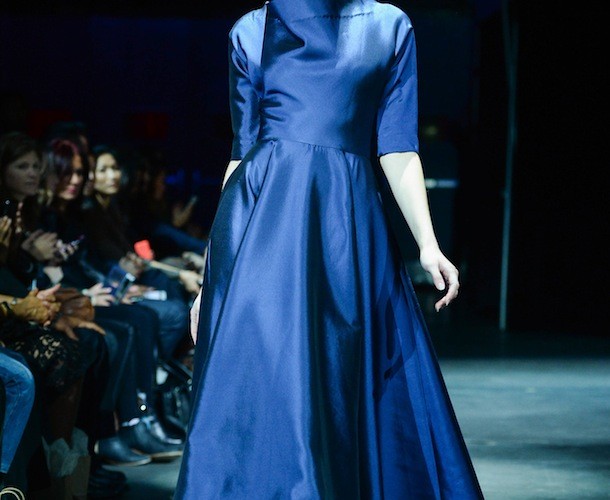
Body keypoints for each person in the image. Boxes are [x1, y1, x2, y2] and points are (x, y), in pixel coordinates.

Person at [175, 1, 483, 499]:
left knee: (337, 372)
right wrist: (212, 276)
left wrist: (427, 245)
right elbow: (242, 152)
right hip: (260, 222)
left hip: (342, 221)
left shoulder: (387, 26)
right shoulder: (251, 29)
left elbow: (397, 145)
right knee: (261, 369)